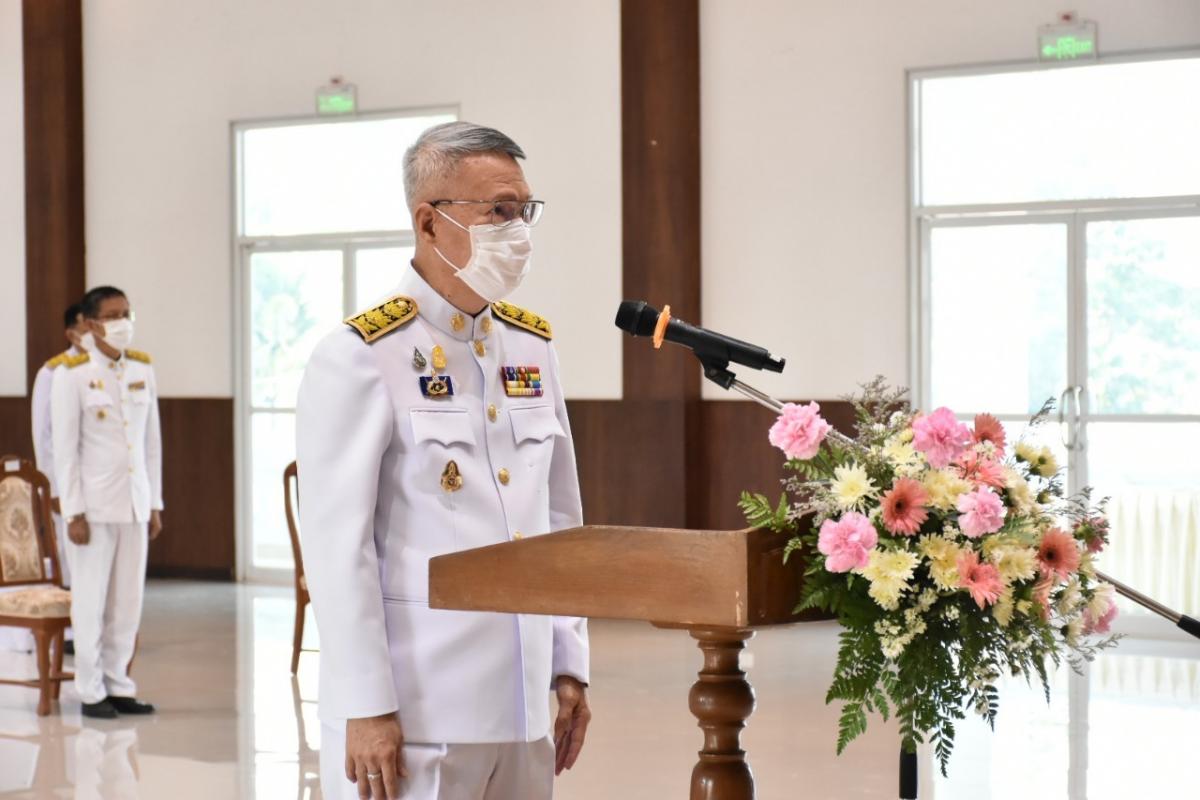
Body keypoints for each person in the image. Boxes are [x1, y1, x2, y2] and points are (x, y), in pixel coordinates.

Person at [297, 121, 591, 800]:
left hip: (521, 705)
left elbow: (559, 522)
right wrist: (365, 704)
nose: (517, 231)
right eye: (497, 211)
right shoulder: (362, 355)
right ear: (429, 224)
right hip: (418, 710)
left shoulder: (531, 349)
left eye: (524, 211)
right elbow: (338, 550)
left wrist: (569, 664)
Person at [51, 286, 163, 719]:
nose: (123, 322)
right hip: (93, 510)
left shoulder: (142, 370)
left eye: (127, 313)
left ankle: (119, 683)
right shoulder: (72, 373)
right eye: (114, 315)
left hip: (134, 506)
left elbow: (151, 443)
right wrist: (73, 511)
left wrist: (154, 502)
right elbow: (65, 451)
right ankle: (90, 689)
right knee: (91, 600)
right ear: (92, 323)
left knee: (127, 601)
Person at [0, 304, 86, 654]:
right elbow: (44, 434)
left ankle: (89, 624)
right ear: (72, 331)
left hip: (98, 484)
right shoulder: (53, 373)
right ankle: (66, 632)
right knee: (67, 554)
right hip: (64, 482)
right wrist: (51, 485)